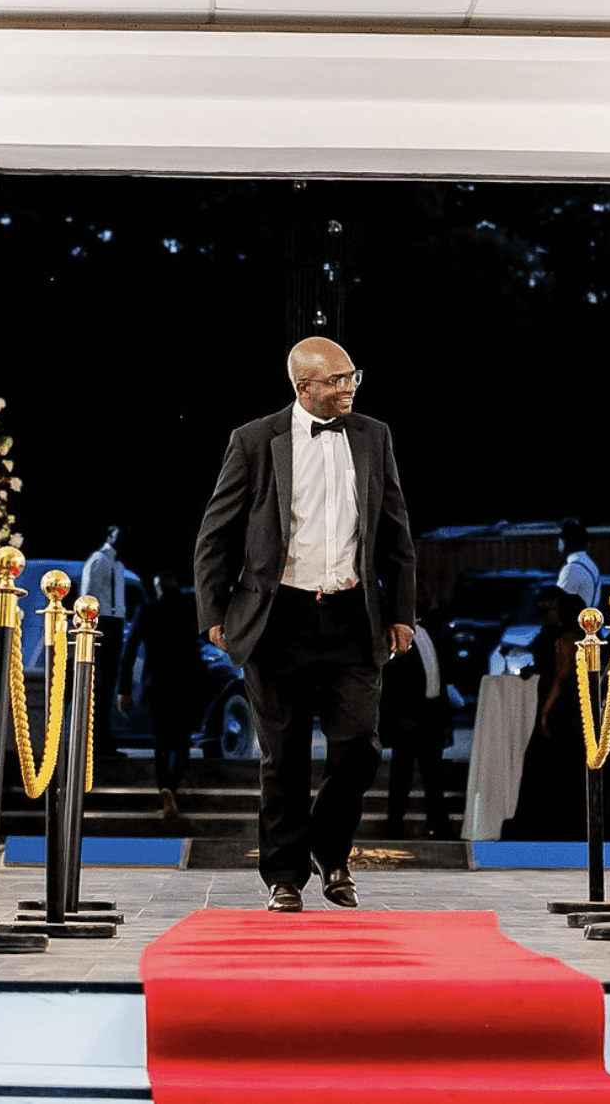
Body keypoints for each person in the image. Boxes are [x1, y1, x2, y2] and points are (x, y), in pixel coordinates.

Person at [192, 337, 417, 912]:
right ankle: (284, 876)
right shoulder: (254, 440)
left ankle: (329, 847)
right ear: (304, 387)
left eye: (353, 377)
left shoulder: (374, 435)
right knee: (283, 756)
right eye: (337, 380)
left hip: (353, 616)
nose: (349, 388)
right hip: (278, 617)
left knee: (360, 747)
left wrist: (402, 612)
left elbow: (396, 531)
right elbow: (216, 533)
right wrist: (213, 613)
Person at [500, 585, 591, 841]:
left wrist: (545, 712)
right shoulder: (583, 640)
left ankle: (542, 822)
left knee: (545, 765)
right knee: (568, 767)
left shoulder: (565, 640)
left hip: (562, 707)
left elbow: (560, 679)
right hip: (576, 706)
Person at [134, 569, 202, 822]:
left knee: (161, 744)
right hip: (184, 684)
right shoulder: (189, 611)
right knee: (182, 744)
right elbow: (198, 649)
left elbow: (130, 649)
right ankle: (171, 787)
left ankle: (163, 788)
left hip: (158, 685)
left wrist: (124, 690)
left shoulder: (149, 610)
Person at [378, 620, 454, 840]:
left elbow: (439, 677)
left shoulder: (432, 633)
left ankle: (438, 825)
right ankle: (394, 826)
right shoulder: (395, 636)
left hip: (431, 715)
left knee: (433, 776)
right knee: (401, 776)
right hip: (408, 717)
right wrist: (399, 716)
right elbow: (390, 679)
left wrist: (444, 718)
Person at [78, 525, 127, 775]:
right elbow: (88, 593)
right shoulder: (99, 560)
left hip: (115, 622)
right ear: (109, 535)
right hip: (103, 622)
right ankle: (96, 740)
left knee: (107, 686)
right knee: (100, 685)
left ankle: (103, 739)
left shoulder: (118, 565)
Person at [554, 518, 599, 613]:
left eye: (559, 541)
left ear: (565, 543)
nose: (558, 546)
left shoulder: (572, 568)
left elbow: (557, 604)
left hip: (578, 620)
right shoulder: (588, 563)